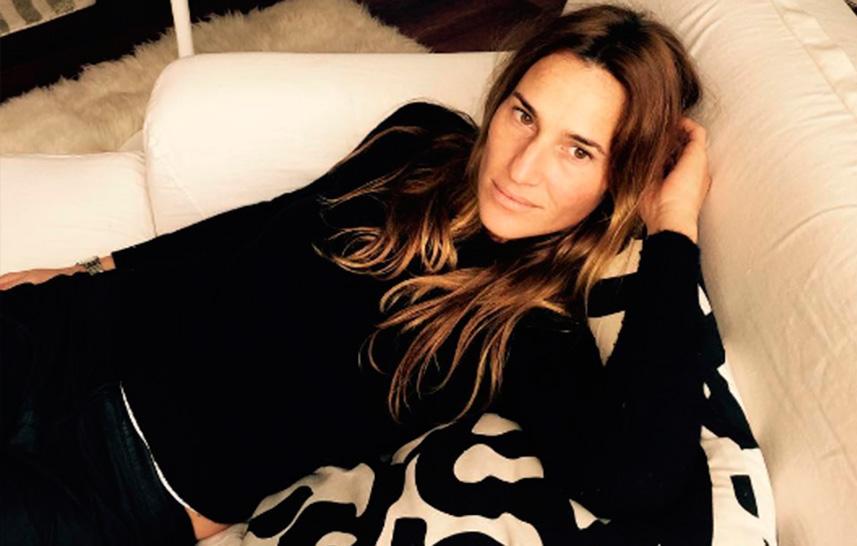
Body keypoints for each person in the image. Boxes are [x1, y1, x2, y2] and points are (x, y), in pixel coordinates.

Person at [0, 4, 712, 545]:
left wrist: (673, 227)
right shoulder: (420, 140)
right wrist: (92, 268)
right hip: (79, 330)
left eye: (578, 150)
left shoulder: (531, 329)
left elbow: (636, 477)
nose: (523, 167)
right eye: (524, 115)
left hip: (123, 482)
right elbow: (261, 224)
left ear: (622, 175)